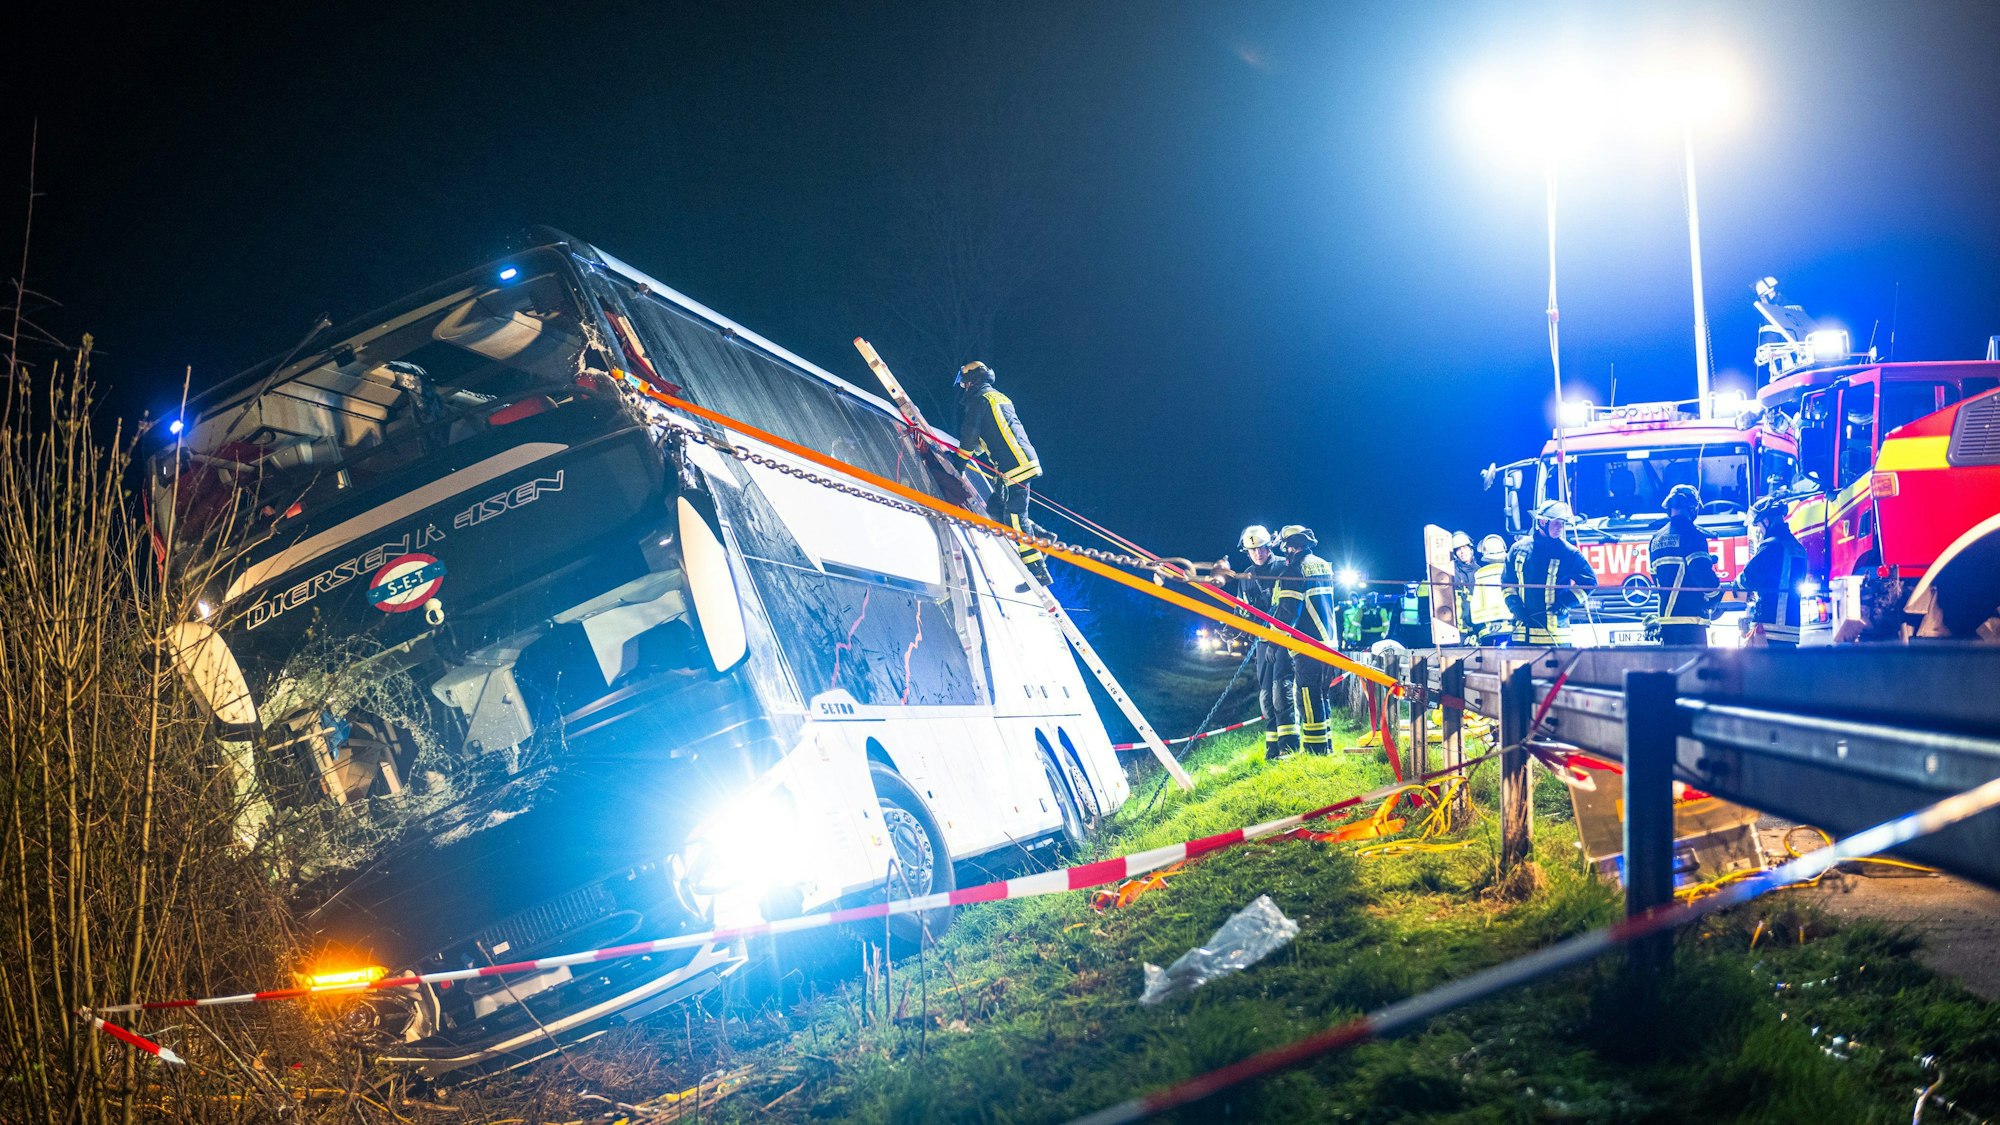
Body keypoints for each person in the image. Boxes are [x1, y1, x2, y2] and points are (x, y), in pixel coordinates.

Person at [953, 361, 1051, 584]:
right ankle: (1041, 536)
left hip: (1014, 466)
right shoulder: (996, 397)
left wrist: (958, 465)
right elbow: (989, 436)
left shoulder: (979, 400)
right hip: (1019, 461)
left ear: (973, 381)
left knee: (1015, 516)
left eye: (965, 382)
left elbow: (969, 438)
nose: (964, 387)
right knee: (996, 508)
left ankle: (1037, 570)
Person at [1272, 525, 1340, 755]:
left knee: (1308, 698)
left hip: (1308, 644)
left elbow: (1288, 612)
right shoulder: (1322, 564)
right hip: (1329, 643)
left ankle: (1315, 750)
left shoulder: (1294, 570)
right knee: (1322, 695)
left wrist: (1273, 640)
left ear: (1289, 547)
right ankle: (1327, 745)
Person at [1232, 525, 1296, 761]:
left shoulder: (1283, 568)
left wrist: (1275, 640)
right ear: (1247, 552)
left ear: (1269, 546)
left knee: (1281, 691)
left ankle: (1289, 746)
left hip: (1282, 640)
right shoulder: (1246, 576)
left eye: (1261, 548)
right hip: (1261, 642)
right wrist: (1234, 629)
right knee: (1266, 696)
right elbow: (1241, 609)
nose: (1257, 553)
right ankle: (1273, 748)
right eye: (1253, 550)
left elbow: (1288, 608)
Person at [1505, 500, 1598, 646]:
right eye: (1556, 523)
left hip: (1556, 637)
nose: (1560, 528)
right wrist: (1514, 606)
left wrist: (1566, 602)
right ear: (1543, 522)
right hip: (1523, 635)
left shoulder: (1568, 553)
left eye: (1562, 523)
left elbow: (1590, 582)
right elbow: (1507, 583)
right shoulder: (1518, 550)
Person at [1649, 483, 1721, 646]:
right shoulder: (1693, 535)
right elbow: (1701, 575)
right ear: (1693, 508)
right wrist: (1716, 596)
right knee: (1695, 663)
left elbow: (1655, 577)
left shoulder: (1655, 539)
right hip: (1691, 621)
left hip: (1666, 621)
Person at [1738, 496, 1808, 646]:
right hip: (1791, 629)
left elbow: (1749, 578)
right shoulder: (1799, 548)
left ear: (1766, 520)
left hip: (1768, 629)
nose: (1759, 531)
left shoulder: (1771, 546)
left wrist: (1736, 584)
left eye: (1759, 526)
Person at [1469, 534, 1513, 644]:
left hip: (1488, 629)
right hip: (1511, 625)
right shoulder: (1510, 571)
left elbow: (1476, 603)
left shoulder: (1480, 574)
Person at [1450, 531, 1478, 637]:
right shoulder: (1451, 571)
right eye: (1458, 549)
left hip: (1477, 623)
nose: (1462, 552)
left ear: (1471, 549)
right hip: (1458, 625)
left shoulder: (1479, 571)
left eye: (1464, 548)